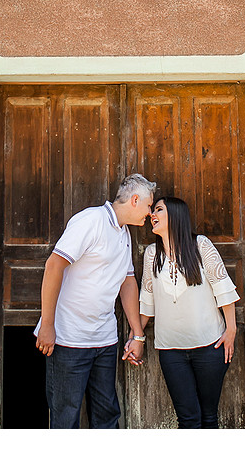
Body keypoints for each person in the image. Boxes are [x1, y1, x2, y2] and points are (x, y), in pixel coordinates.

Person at [34, 173, 156, 428]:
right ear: (135, 200)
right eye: (148, 206)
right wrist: (47, 324)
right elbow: (54, 266)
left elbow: (127, 282)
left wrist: (138, 334)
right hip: (69, 341)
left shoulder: (124, 233)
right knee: (65, 419)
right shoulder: (90, 220)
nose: (149, 213)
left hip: (105, 341)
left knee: (107, 417)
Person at [138, 195, 240, 429]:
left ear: (175, 215)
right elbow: (147, 302)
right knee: (188, 420)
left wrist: (231, 330)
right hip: (171, 352)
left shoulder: (200, 245)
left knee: (208, 418)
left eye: (159, 210)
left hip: (210, 348)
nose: (152, 215)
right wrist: (137, 336)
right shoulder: (152, 254)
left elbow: (223, 288)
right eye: (153, 210)